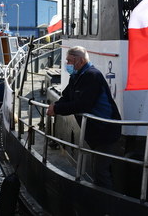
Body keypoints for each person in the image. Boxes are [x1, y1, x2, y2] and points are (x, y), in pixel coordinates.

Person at [47, 46, 121, 189]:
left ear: (79, 61)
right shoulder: (77, 76)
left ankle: (106, 206)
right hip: (95, 132)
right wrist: (55, 106)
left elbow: (83, 105)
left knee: (101, 172)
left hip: (106, 130)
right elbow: (67, 96)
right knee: (98, 170)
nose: (67, 64)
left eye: (69, 60)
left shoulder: (92, 76)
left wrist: (57, 109)